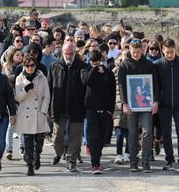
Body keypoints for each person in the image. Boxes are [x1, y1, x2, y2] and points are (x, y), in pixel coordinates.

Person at [118, 38, 159, 172]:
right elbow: (122, 86)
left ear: (143, 50)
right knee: (132, 133)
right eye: (133, 52)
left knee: (147, 132)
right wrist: (124, 103)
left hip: (147, 105)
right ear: (129, 50)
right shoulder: (124, 65)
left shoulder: (149, 65)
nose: (136, 54)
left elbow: (155, 86)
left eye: (138, 51)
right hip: (131, 105)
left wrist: (156, 101)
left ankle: (146, 162)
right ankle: (133, 163)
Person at [48, 42, 88, 172]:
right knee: (58, 136)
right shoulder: (55, 66)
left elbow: (86, 84)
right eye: (66, 54)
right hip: (58, 106)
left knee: (75, 136)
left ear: (75, 53)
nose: (69, 56)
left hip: (76, 107)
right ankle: (59, 152)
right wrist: (48, 107)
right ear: (62, 53)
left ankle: (71, 160)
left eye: (71, 54)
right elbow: (49, 88)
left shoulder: (82, 66)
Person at [154, 38, 179, 172]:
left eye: (172, 52)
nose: (169, 55)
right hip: (164, 105)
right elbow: (155, 85)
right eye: (167, 52)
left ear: (175, 50)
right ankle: (170, 160)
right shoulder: (157, 64)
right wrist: (158, 100)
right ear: (163, 51)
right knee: (166, 133)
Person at [13, 54, 51, 176]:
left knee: (39, 142)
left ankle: (37, 155)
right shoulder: (19, 78)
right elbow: (18, 98)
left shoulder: (42, 77)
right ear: (24, 66)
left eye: (32, 65)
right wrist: (25, 89)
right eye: (27, 66)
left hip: (39, 112)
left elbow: (47, 96)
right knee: (28, 142)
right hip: (26, 114)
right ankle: (30, 165)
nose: (30, 68)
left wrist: (44, 111)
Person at [85, 50, 116, 174]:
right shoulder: (86, 70)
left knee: (102, 139)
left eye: (98, 63)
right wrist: (94, 69)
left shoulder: (108, 73)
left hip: (105, 110)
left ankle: (97, 155)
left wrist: (110, 110)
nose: (96, 65)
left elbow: (113, 91)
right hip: (91, 109)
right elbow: (87, 82)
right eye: (93, 63)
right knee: (93, 137)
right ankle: (95, 164)